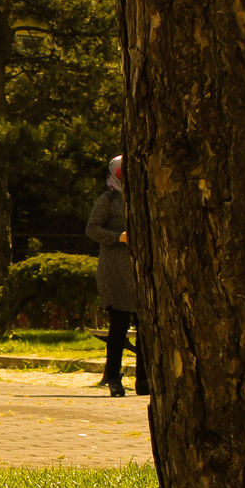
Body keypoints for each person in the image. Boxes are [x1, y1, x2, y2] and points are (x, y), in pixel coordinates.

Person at [85, 155, 145, 397]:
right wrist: (118, 237)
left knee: (146, 330)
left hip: (139, 272)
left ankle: (144, 379)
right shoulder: (108, 200)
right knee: (118, 328)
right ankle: (114, 379)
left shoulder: (142, 196)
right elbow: (92, 229)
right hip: (115, 272)